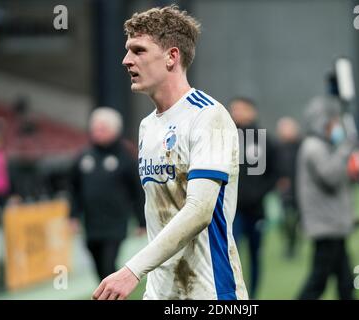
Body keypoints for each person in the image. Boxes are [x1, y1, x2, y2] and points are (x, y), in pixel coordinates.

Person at [93, 5, 248, 300]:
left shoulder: (208, 116)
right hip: (160, 292)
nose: (126, 60)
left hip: (210, 292)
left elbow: (199, 211)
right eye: (127, 50)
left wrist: (131, 270)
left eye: (138, 50)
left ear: (171, 57)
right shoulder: (147, 126)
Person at [70, 107, 146, 281]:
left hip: (115, 224)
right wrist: (73, 216)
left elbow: (137, 191)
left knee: (108, 265)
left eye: (102, 128)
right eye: (95, 128)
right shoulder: (83, 157)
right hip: (90, 224)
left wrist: (142, 221)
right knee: (98, 268)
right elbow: (74, 189)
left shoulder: (125, 157)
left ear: (115, 130)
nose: (97, 132)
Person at [296, 96, 357, 300]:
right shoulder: (314, 146)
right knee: (318, 281)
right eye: (334, 123)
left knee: (345, 281)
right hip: (326, 226)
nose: (338, 127)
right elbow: (330, 176)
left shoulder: (321, 145)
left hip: (333, 225)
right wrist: (345, 149)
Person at [229, 97, 277, 299]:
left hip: (256, 209)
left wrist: (258, 194)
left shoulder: (265, 140)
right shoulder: (226, 138)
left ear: (252, 111)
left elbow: (274, 173)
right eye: (234, 109)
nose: (236, 113)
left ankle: (253, 296)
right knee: (232, 253)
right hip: (232, 210)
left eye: (241, 109)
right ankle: (233, 296)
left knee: (255, 255)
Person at [275, 117, 301, 259]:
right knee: (285, 220)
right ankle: (288, 243)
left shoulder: (302, 146)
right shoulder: (277, 147)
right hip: (285, 190)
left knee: (297, 220)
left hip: (301, 189)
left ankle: (294, 243)